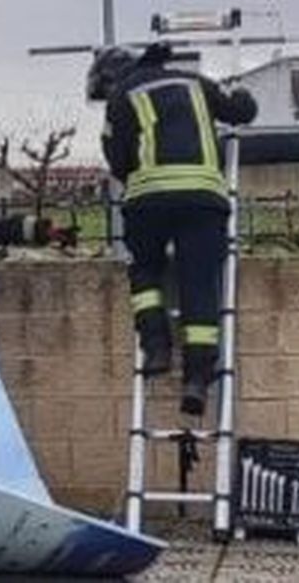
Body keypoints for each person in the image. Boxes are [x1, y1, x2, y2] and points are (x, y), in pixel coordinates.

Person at [94, 43, 257, 416]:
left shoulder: (120, 97)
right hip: (204, 200)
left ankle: (156, 347)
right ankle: (197, 378)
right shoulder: (194, 82)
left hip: (148, 202)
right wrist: (243, 92)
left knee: (146, 271)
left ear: (110, 76)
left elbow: (117, 161)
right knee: (199, 283)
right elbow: (242, 112)